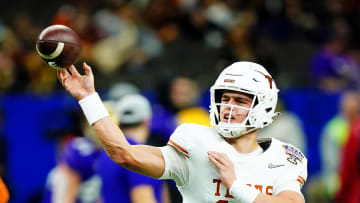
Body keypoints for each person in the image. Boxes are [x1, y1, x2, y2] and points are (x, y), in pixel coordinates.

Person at [57, 61, 307, 202]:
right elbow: (125, 153)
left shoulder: (283, 157)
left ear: (263, 105)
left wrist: (237, 186)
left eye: (240, 101)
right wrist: (88, 98)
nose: (229, 108)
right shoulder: (196, 142)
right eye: (225, 99)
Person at [96, 94, 169, 203]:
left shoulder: (105, 153)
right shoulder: (140, 154)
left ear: (119, 123)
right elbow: (143, 198)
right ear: (148, 121)